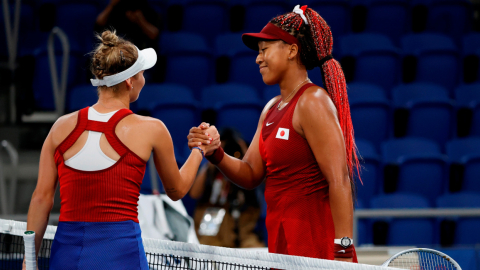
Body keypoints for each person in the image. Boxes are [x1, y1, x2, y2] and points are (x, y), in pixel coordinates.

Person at [24, 30, 219, 269]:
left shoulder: (60, 127)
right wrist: (200, 150)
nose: (144, 79)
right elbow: (176, 190)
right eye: (142, 73)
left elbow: (41, 199)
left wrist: (29, 261)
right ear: (129, 81)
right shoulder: (152, 129)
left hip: (67, 256)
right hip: (120, 256)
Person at [188, 5, 360, 262]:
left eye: (264, 50)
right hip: (281, 249)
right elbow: (251, 174)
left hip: (319, 252)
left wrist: (343, 249)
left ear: (292, 50)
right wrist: (217, 154)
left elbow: (340, 180)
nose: (258, 59)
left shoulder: (312, 101)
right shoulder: (270, 109)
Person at [189, 128, 264, 248]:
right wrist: (214, 156)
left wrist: (246, 157)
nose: (228, 151)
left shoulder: (246, 170)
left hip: (243, 230)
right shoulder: (211, 170)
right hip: (214, 232)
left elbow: (258, 186)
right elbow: (194, 193)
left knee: (256, 250)